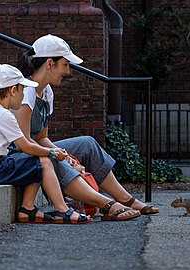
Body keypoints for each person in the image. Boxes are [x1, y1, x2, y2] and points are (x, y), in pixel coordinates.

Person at [14, 34, 159, 221]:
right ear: (50, 63)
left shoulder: (47, 92)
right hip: (17, 153)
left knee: (86, 144)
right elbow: (23, 142)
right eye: (65, 65)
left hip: (33, 146)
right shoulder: (26, 92)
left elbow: (42, 137)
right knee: (52, 158)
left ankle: (125, 198)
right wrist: (56, 155)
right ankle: (106, 204)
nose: (68, 71)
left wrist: (61, 151)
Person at [0, 64, 91, 224]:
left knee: (33, 159)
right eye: (22, 90)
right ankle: (62, 210)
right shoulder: (4, 115)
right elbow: (26, 146)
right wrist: (52, 153)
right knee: (43, 160)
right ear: (12, 91)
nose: (24, 94)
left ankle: (28, 208)